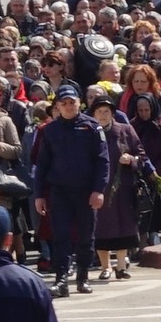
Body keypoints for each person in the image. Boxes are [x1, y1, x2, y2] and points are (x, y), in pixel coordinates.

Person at [31, 85, 110, 298]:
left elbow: (103, 161)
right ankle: (61, 279)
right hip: (60, 192)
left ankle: (82, 277)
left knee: (86, 235)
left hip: (86, 191)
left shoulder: (92, 127)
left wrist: (98, 190)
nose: (68, 107)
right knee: (61, 236)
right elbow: (42, 165)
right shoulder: (49, 131)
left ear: (79, 103)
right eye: (63, 103)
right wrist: (39, 195)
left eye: (72, 102)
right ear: (57, 106)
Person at [87, 94, 147, 280]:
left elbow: (142, 156)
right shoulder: (88, 133)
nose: (103, 115)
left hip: (123, 188)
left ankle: (121, 265)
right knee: (101, 228)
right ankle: (106, 267)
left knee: (124, 226)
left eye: (107, 111)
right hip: (99, 188)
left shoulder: (126, 130)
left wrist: (131, 159)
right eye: (99, 112)